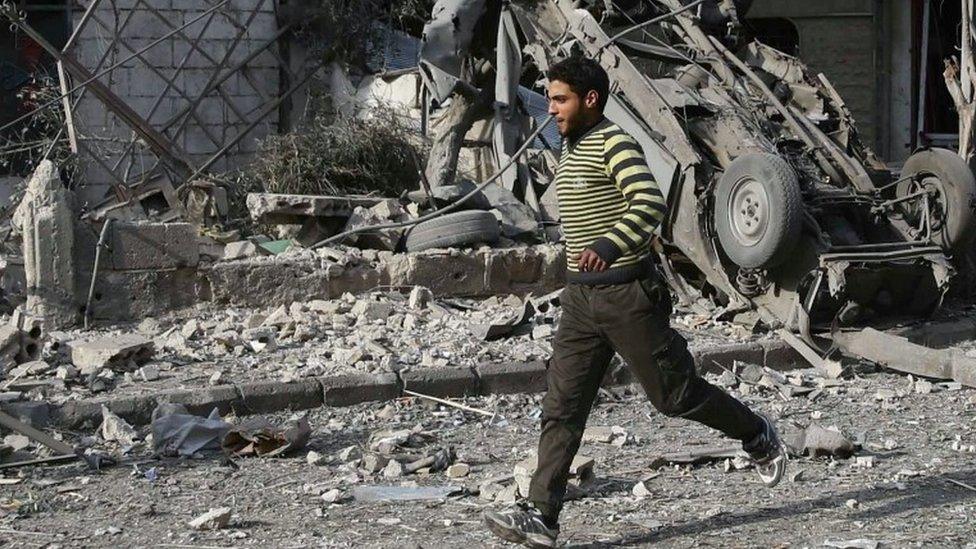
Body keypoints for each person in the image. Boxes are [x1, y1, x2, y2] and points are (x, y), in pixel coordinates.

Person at [483, 56, 787, 549]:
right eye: (551, 98)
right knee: (562, 405)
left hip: (628, 296)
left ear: (591, 100)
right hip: (581, 300)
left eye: (560, 99)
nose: (551, 108)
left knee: (674, 396)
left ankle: (756, 433)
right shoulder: (571, 147)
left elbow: (649, 203)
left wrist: (606, 246)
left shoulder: (614, 143)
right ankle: (541, 515)